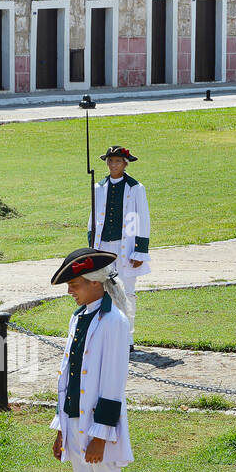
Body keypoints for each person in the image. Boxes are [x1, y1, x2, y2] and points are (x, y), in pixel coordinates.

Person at [49, 248, 133, 472]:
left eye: (77, 283)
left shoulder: (114, 322)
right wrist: (60, 428)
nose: (71, 290)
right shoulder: (79, 317)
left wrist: (101, 434)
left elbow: (113, 384)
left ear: (97, 283)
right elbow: (67, 378)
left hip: (100, 427)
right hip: (74, 422)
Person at [88, 145, 150, 347]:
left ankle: (126, 336)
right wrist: (92, 247)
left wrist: (139, 251)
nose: (113, 165)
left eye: (117, 161)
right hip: (103, 246)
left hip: (126, 247)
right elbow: (93, 219)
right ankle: (105, 333)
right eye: (110, 161)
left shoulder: (135, 188)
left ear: (125, 163)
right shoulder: (99, 187)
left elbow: (141, 219)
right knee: (101, 289)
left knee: (126, 292)